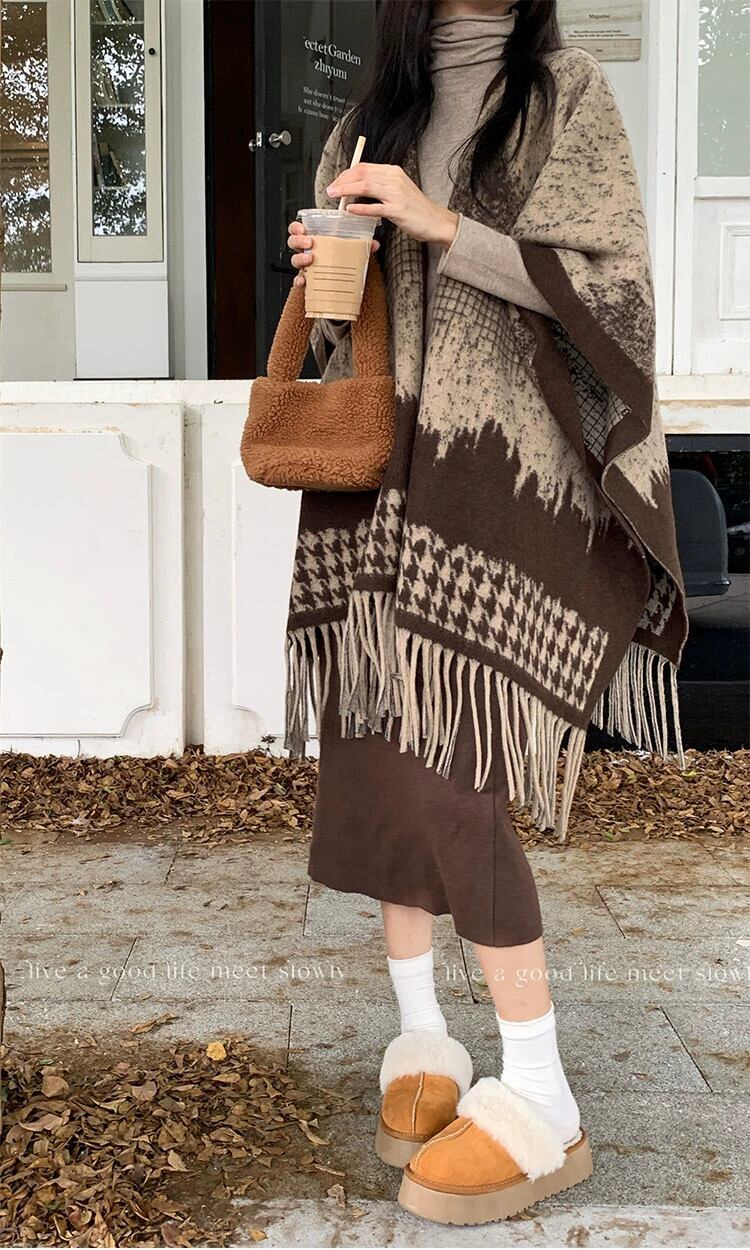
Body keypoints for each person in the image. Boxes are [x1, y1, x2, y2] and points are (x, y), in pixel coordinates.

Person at [284, 0, 686, 1226]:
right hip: (377, 479)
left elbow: (615, 297)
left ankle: (543, 1091)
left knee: (454, 773)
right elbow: (342, 335)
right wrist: (327, 275)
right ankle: (424, 1037)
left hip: (507, 481)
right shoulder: (366, 118)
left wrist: (441, 222)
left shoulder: (566, 96)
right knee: (375, 755)